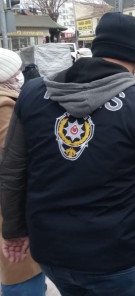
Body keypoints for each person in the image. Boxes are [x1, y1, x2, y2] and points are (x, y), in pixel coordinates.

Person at [0, 12, 135, 296]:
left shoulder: (34, 94)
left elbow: (12, 171)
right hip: (116, 256)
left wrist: (13, 231)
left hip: (51, 251)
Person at [0, 48, 45, 295]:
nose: (20, 76)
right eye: (17, 71)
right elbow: (16, 159)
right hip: (12, 204)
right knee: (21, 269)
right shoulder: (4, 105)